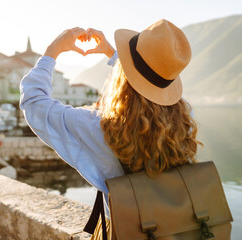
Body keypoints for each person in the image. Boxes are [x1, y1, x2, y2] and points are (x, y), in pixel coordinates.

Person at [19, 19, 201, 239]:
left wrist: (51, 52)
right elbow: (147, 81)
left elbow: (35, 104)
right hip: (180, 228)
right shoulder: (183, 119)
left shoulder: (100, 128)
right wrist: (113, 54)